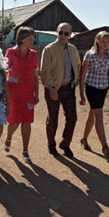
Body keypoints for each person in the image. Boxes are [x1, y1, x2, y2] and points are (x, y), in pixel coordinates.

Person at [79, 31, 109, 159]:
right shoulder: (90, 55)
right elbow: (82, 76)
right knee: (99, 115)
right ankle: (105, 147)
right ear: (97, 40)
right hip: (91, 87)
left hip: (103, 88)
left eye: (108, 42)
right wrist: (81, 94)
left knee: (93, 113)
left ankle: (84, 139)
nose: (105, 44)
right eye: (103, 41)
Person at [40, 22, 81, 157]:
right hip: (54, 88)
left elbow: (78, 66)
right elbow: (45, 71)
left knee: (72, 118)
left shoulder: (74, 50)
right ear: (56, 32)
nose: (63, 35)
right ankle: (51, 145)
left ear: (70, 35)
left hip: (69, 89)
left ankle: (65, 144)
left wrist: (76, 81)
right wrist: (51, 87)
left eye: (66, 33)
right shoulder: (49, 49)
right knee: (53, 119)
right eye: (61, 32)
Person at [4, 26, 39, 163]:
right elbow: (5, 71)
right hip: (13, 91)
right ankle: (9, 137)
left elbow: (35, 75)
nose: (32, 41)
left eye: (33, 38)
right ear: (21, 39)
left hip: (28, 91)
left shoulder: (34, 54)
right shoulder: (11, 52)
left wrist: (36, 93)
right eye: (30, 38)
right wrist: (4, 92)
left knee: (27, 120)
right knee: (14, 120)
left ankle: (25, 150)